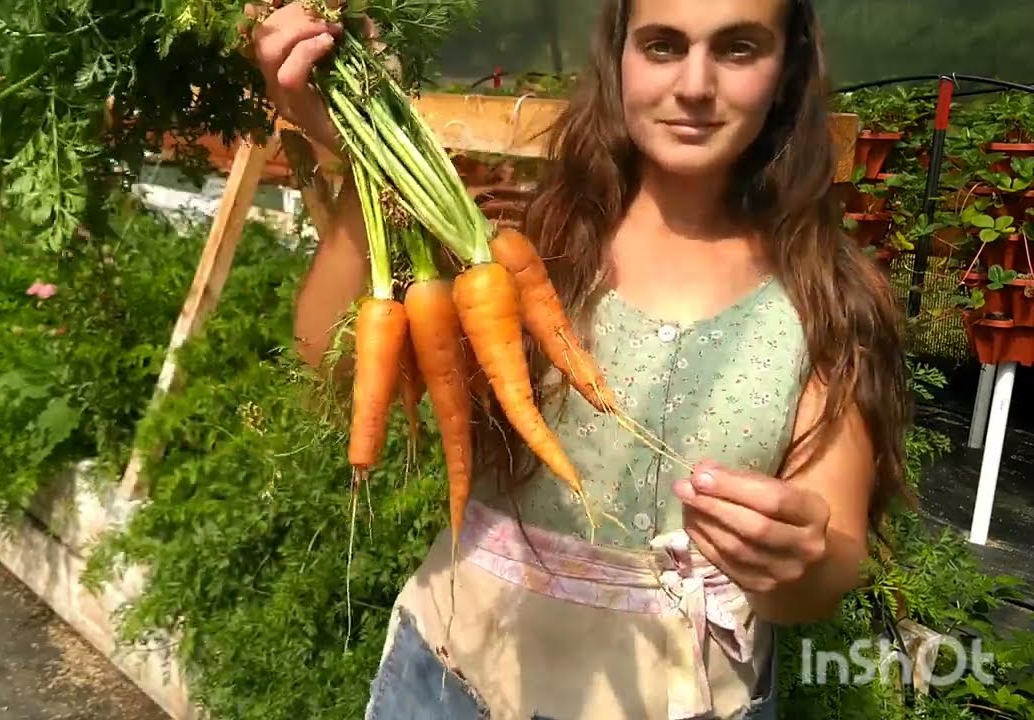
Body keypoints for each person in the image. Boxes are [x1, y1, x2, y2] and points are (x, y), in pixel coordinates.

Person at [247, 0, 910, 717]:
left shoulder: (828, 303)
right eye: (662, 46)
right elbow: (328, 359)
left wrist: (796, 559)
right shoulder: (523, 246)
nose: (694, 83)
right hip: (455, 673)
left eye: (738, 49)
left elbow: (829, 563)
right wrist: (358, 146)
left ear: (787, 71)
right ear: (618, 58)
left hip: (689, 697)